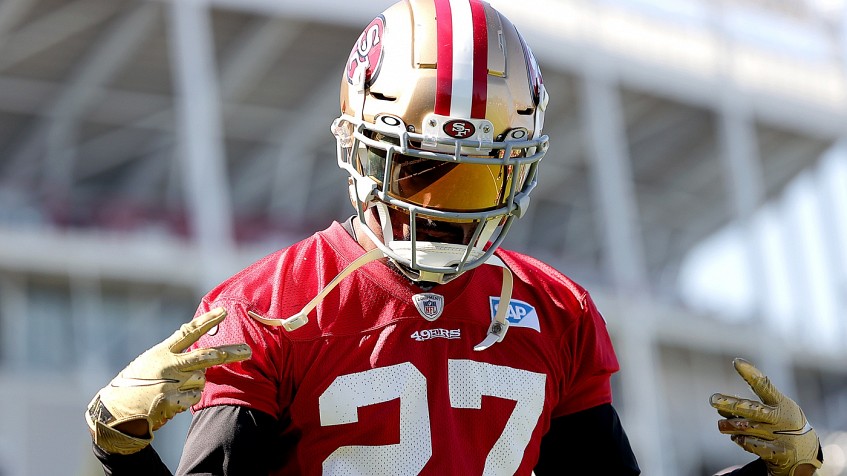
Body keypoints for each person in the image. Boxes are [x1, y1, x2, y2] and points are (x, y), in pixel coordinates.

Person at [84, 0, 824, 474]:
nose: (441, 206)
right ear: (362, 150)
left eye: (475, 178)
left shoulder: (555, 310)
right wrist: (117, 445)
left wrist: (780, 471)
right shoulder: (270, 311)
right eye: (419, 169)